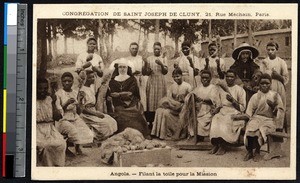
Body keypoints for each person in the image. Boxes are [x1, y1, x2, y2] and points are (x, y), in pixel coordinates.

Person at [243, 73, 284, 162]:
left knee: (259, 132)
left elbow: (280, 111)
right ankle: (250, 151)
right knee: (250, 130)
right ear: (259, 84)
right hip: (256, 118)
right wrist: (245, 119)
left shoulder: (275, 96)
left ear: (270, 84)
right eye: (262, 83)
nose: (264, 85)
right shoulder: (255, 96)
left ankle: (257, 151)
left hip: (269, 120)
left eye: (267, 83)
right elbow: (249, 111)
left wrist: (274, 107)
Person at [108, 58, 151, 139]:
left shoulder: (132, 79)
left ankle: (141, 133)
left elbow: (131, 93)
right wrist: (118, 96)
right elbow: (112, 94)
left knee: (137, 113)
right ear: (117, 68)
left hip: (131, 102)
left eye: (124, 67)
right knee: (119, 114)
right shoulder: (113, 81)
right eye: (120, 67)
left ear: (127, 68)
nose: (122, 69)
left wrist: (119, 94)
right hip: (117, 103)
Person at [55, 72, 94, 155]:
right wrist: (66, 103)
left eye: (69, 81)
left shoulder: (76, 92)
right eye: (65, 81)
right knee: (74, 131)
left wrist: (80, 100)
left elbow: (79, 112)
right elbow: (58, 112)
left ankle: (77, 148)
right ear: (61, 82)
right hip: (63, 119)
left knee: (87, 132)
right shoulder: (58, 94)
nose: (67, 83)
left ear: (72, 82)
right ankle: (66, 149)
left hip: (74, 117)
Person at [209, 70, 246, 155]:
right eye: (227, 76)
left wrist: (232, 100)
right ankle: (216, 145)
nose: (229, 78)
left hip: (234, 111)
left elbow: (242, 108)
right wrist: (216, 109)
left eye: (231, 77)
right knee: (216, 118)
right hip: (223, 110)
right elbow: (219, 104)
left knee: (225, 120)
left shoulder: (240, 90)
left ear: (235, 78)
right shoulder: (221, 89)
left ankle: (223, 146)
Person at [151, 68, 192, 140]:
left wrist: (181, 103)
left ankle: (176, 133)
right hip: (174, 106)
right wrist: (170, 105)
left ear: (181, 76)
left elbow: (189, 100)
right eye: (174, 77)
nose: (176, 78)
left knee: (168, 113)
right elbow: (169, 98)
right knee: (160, 110)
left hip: (184, 107)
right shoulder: (172, 86)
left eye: (178, 76)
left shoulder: (187, 86)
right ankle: (160, 133)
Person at [182, 70, 222, 142]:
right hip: (198, 110)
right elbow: (192, 95)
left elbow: (215, 102)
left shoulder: (214, 88)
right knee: (191, 117)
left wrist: (202, 100)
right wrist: (191, 96)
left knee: (203, 121)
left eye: (207, 78)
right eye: (203, 78)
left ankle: (202, 136)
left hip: (209, 110)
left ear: (210, 78)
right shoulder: (198, 88)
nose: (204, 79)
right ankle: (195, 136)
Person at [79, 70, 117, 143]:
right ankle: (99, 139)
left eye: (93, 77)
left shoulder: (91, 87)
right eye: (90, 77)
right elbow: (82, 109)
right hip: (87, 114)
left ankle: (103, 138)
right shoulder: (82, 91)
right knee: (106, 124)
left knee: (112, 121)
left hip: (93, 110)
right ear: (85, 79)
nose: (93, 79)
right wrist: (96, 114)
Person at [36, 78, 66, 166]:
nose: (43, 91)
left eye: (45, 88)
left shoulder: (50, 99)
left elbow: (57, 117)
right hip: (36, 129)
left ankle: (56, 167)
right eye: (40, 88)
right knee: (45, 146)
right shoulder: (33, 100)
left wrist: (53, 102)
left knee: (61, 143)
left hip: (50, 129)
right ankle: (45, 166)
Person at [143, 42, 168, 128]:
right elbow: (145, 73)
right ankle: (150, 122)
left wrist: (161, 64)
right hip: (152, 80)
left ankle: (160, 122)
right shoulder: (149, 58)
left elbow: (165, 72)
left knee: (160, 100)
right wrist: (146, 66)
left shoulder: (164, 58)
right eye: (155, 49)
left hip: (161, 80)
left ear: (161, 50)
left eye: (158, 49)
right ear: (153, 49)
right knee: (151, 100)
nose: (156, 51)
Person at [260, 41, 289, 116]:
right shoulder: (264, 62)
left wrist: (278, 76)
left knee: (280, 104)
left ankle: (280, 123)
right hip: (267, 86)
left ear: (276, 50)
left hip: (279, 86)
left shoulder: (281, 62)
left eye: (272, 50)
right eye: (268, 50)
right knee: (267, 104)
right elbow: (261, 75)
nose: (270, 52)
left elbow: (286, 78)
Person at [126, 42, 148, 111]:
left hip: (141, 79)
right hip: (132, 79)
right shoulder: (127, 59)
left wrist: (146, 63)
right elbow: (125, 72)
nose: (134, 50)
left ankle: (143, 113)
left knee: (142, 96)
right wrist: (132, 73)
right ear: (130, 49)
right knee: (133, 96)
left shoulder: (140, 58)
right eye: (133, 48)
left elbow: (144, 72)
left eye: (136, 49)